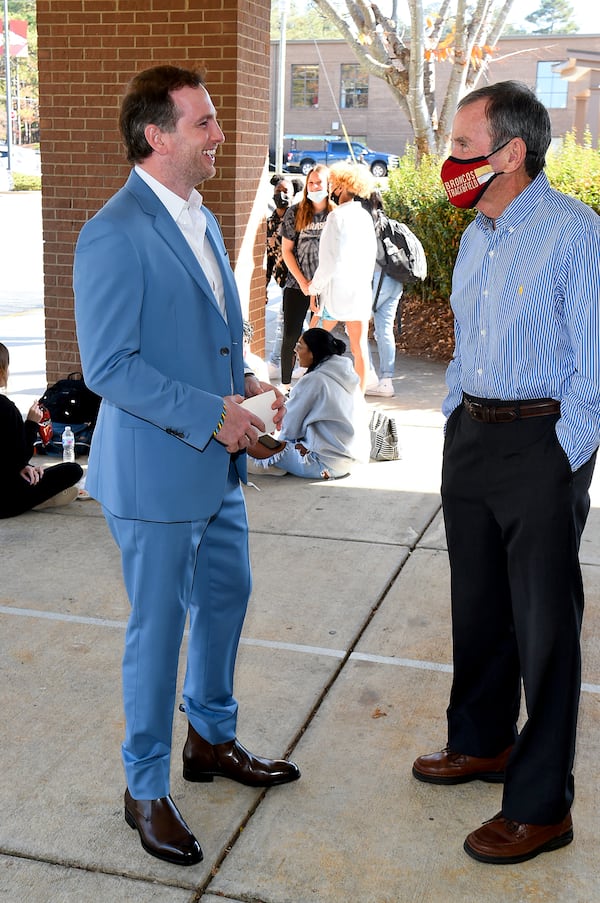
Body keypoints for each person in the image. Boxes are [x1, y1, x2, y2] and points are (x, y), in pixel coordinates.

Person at [73, 65, 300, 868]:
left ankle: (210, 739)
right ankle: (143, 787)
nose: (219, 136)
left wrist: (248, 391)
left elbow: (211, 337)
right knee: (158, 629)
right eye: (203, 123)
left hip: (219, 466)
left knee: (228, 598)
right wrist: (216, 416)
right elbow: (109, 366)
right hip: (155, 474)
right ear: (156, 135)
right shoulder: (112, 230)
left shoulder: (201, 219)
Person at [412, 81, 600, 865]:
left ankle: (540, 804)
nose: (447, 162)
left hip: (538, 446)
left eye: (460, 147)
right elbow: (469, 339)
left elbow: (591, 367)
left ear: (510, 154)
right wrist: (456, 416)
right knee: (478, 605)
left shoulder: (574, 231)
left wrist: (562, 462)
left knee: (545, 627)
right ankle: (482, 740)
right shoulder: (478, 231)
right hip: (472, 439)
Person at [248, 328, 370, 480]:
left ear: (313, 353)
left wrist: (284, 445)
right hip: (347, 460)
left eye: (299, 346)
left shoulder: (315, 380)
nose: (295, 350)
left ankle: (273, 464)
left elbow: (290, 426)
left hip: (323, 464)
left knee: (248, 440)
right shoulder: (346, 373)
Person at [308, 162, 377, 392]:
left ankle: (312, 393)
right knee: (360, 348)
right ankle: (359, 401)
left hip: (335, 293)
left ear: (341, 186)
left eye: (333, 184)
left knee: (311, 343)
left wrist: (313, 287)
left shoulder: (336, 217)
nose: (330, 188)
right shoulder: (365, 217)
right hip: (359, 293)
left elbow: (328, 261)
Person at [0, 342, 83, 518]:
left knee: (30, 473)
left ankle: (40, 498)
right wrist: (31, 423)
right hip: (6, 501)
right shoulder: (6, 408)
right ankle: (41, 499)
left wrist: (24, 466)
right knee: (73, 470)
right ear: (2, 370)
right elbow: (19, 457)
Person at [279, 164, 332, 392]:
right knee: (291, 336)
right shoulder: (295, 212)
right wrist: (303, 282)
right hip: (297, 285)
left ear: (329, 185)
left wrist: (319, 286)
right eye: (311, 182)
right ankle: (286, 386)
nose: (315, 186)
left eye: (319, 182)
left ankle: (315, 386)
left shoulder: (335, 214)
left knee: (320, 338)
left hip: (326, 287)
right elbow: (287, 250)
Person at [364, 190, 403, 398]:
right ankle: (386, 380)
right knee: (384, 331)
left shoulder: (368, 223)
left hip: (377, 281)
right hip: (395, 281)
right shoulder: (388, 222)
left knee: (358, 326)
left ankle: (368, 376)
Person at [265, 174, 302, 379]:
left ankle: (276, 361)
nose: (281, 195)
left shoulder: (296, 219)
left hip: (296, 280)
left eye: (286, 192)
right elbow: (269, 257)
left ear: (294, 194)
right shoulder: (270, 222)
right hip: (281, 280)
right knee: (293, 323)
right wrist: (264, 288)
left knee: (285, 321)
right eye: (278, 191)